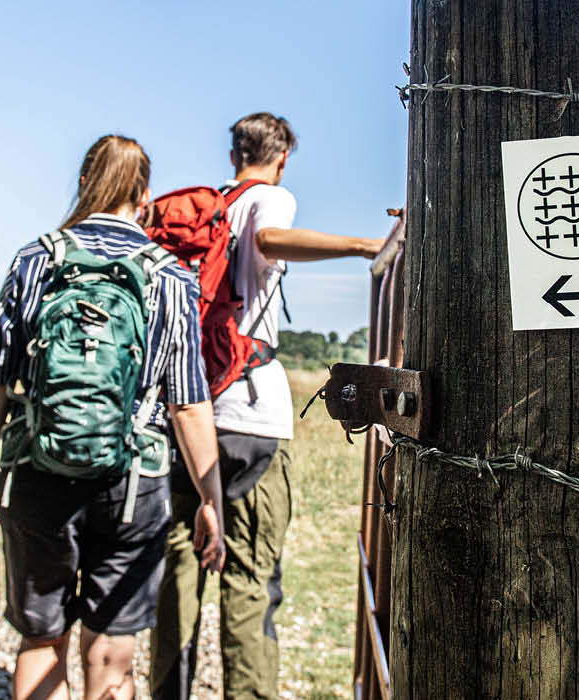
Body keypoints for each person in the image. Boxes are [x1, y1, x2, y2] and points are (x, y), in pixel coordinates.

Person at [0, 134, 227, 700]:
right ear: (145, 196)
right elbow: (188, 402)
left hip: (38, 470)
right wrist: (210, 499)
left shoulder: (35, 260)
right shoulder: (170, 275)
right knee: (111, 648)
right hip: (134, 481)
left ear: (85, 182)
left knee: (42, 640)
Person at [150, 114, 386, 699]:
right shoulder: (270, 198)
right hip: (251, 416)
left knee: (177, 576)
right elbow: (269, 241)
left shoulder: (204, 212)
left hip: (188, 412)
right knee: (250, 581)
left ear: (234, 155)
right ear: (281, 159)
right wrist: (366, 246)